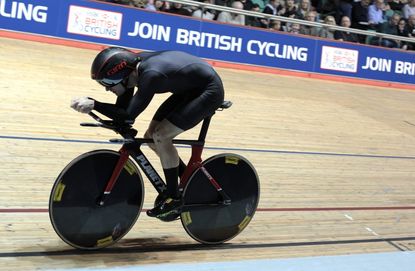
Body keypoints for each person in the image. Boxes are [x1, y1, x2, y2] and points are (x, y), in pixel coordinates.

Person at [70, 47, 225, 218]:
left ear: (120, 74)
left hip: (208, 91)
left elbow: (128, 117)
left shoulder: (151, 75)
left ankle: (174, 199)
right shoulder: (131, 71)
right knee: (151, 136)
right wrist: (99, 108)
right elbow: (121, 110)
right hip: (189, 89)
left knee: (161, 135)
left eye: (107, 82)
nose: (107, 89)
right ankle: (187, 179)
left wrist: (95, 104)